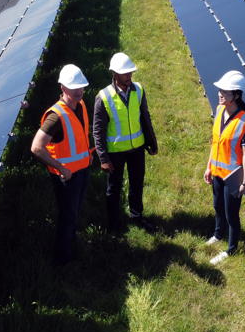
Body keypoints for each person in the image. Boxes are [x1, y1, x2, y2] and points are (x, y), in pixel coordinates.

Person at [31, 64, 93, 265]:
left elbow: (80, 136)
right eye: (74, 87)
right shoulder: (55, 116)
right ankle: (62, 259)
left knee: (74, 212)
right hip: (67, 177)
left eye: (81, 87)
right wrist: (61, 168)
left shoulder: (81, 105)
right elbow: (36, 147)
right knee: (67, 216)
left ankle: (70, 242)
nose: (79, 91)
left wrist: (88, 155)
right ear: (63, 88)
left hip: (82, 170)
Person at [93, 52, 158, 234]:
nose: (129, 76)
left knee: (137, 184)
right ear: (114, 74)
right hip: (115, 153)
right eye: (125, 73)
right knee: (114, 189)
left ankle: (137, 216)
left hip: (137, 149)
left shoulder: (139, 90)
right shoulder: (103, 97)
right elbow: (98, 130)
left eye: (130, 72)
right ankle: (113, 225)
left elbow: (145, 118)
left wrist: (152, 143)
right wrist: (103, 158)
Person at [203, 70, 245, 265]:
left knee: (231, 214)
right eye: (220, 90)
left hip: (232, 177)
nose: (220, 94)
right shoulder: (218, 110)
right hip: (216, 172)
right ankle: (218, 234)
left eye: (225, 91)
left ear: (237, 95)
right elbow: (215, 142)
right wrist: (209, 167)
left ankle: (231, 249)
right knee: (218, 207)